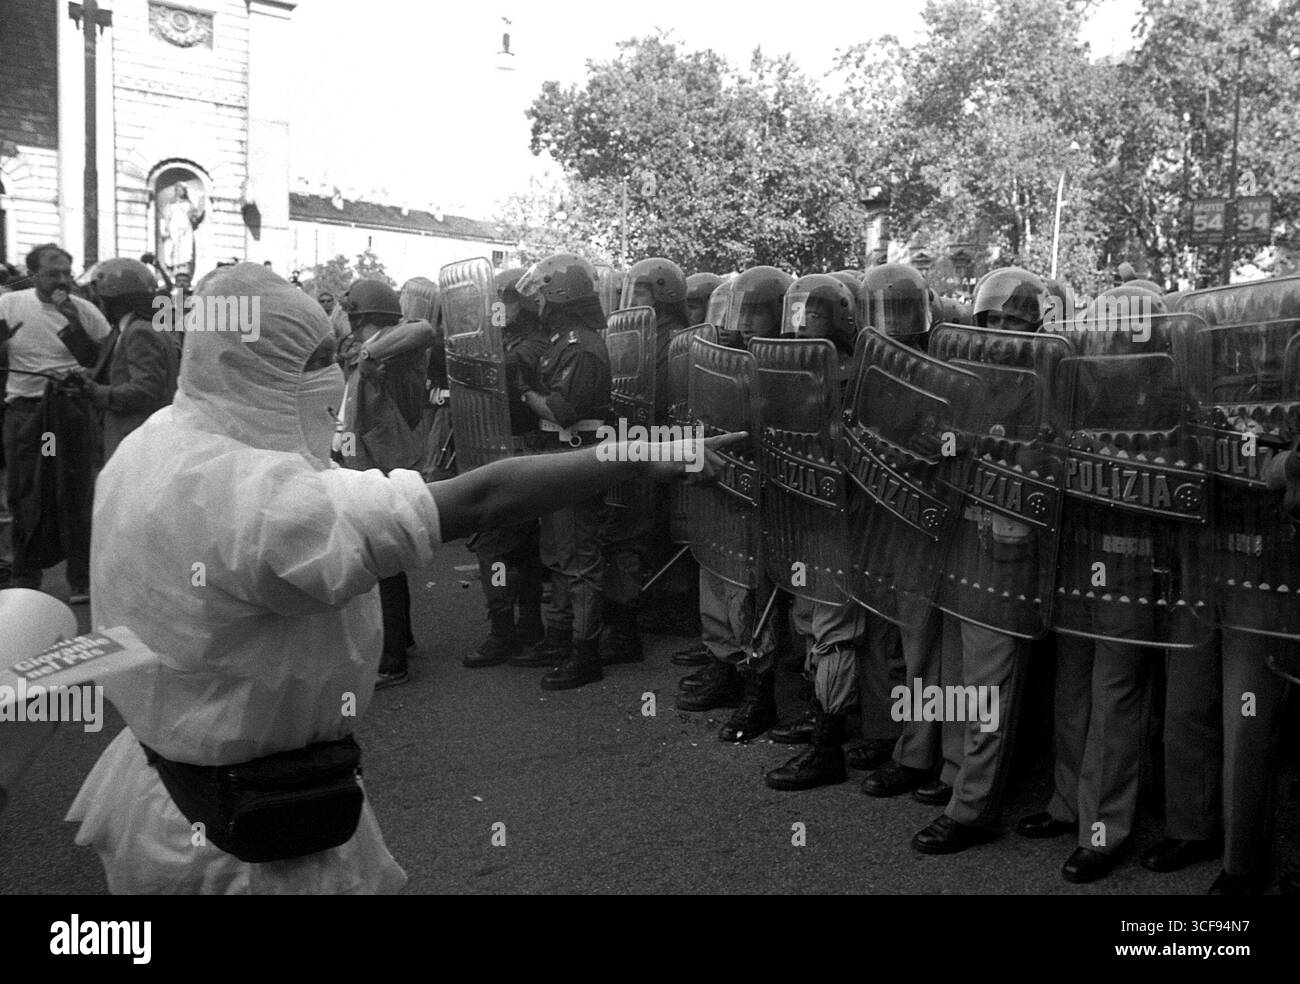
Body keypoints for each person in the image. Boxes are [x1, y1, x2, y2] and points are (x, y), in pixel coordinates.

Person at [64, 261, 738, 894]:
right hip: (247, 844)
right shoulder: (257, 497)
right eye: (322, 360)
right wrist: (640, 451)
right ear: (269, 366)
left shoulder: (154, 442)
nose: (338, 372)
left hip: (161, 793)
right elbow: (478, 499)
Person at [678, 265, 791, 725]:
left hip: (761, 492)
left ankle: (758, 686)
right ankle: (724, 666)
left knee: (752, 594)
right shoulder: (718, 357)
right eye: (739, 310)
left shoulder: (789, 364)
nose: (744, 321)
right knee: (715, 577)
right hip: (720, 485)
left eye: (757, 312)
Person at [515, 253, 614, 690]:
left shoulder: (580, 345)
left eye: (541, 292)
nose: (535, 301)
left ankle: (585, 652)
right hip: (560, 458)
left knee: (579, 559)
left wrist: (526, 395)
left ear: (559, 295)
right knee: (557, 553)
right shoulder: (562, 339)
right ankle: (559, 636)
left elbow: (563, 410)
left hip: (577, 456)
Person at [336, 278, 435, 688]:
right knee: (387, 558)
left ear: (363, 317)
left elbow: (425, 329)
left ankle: (392, 659)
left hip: (385, 464)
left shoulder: (394, 344)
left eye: (353, 319)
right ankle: (403, 641)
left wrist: (369, 350)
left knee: (384, 561)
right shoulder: (369, 349)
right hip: (371, 462)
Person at [0, 244, 111, 603]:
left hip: (70, 410)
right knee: (24, 491)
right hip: (26, 412)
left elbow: (102, 360)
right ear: (33, 275)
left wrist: (73, 322)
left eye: (67, 272)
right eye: (53, 273)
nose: (62, 279)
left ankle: (80, 579)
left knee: (76, 491)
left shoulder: (85, 311)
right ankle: (25, 576)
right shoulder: (9, 306)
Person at [465, 267, 549, 669]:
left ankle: (509, 632)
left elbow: (506, 365)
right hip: (503, 449)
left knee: (499, 548)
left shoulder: (533, 342)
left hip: (522, 450)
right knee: (513, 549)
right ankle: (519, 629)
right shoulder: (510, 338)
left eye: (509, 298)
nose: (501, 305)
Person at [66, 258, 179, 462]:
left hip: (135, 437)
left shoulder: (140, 332)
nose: (99, 304)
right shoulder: (128, 328)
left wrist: (95, 392)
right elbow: (106, 364)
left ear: (116, 300)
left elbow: (146, 390)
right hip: (132, 434)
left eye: (102, 299)